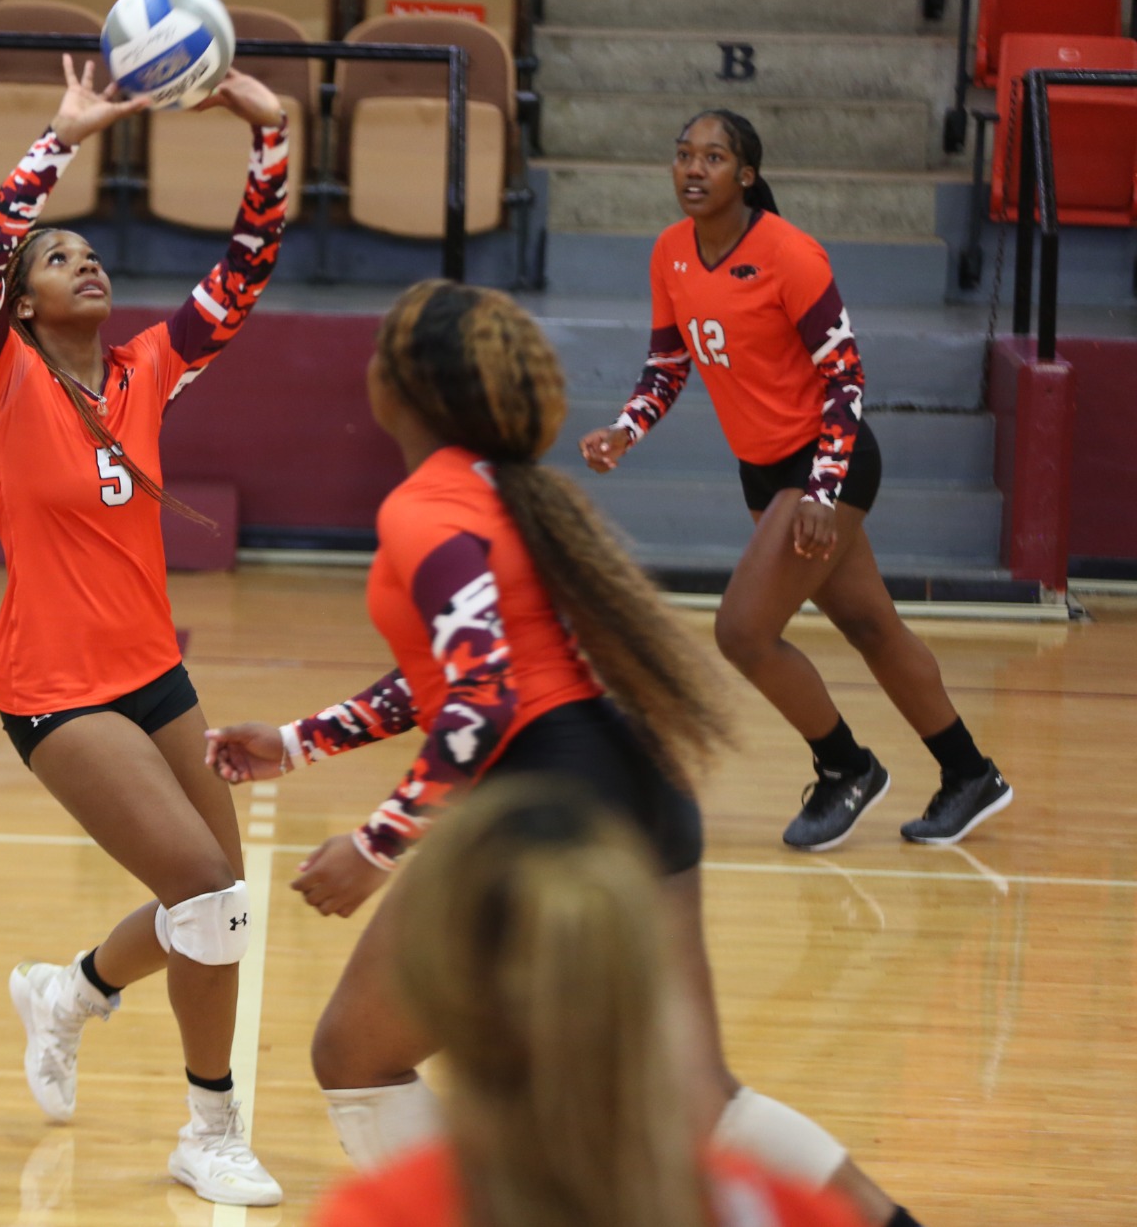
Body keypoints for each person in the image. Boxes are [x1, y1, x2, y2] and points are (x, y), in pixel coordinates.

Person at [204, 281, 923, 1226]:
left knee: (355, 1055)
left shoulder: (425, 509)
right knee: (697, 1096)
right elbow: (459, 676)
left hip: (548, 800)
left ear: (402, 389)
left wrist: (375, 847)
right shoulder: (508, 491)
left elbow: (483, 699)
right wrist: (297, 743)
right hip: (633, 778)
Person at [0, 55, 290, 1208]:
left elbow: (244, 273)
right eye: (57, 256)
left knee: (219, 907)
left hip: (156, 673)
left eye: (90, 251)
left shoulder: (147, 370)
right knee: (200, 887)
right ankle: (208, 1131)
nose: (83, 259)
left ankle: (72, 993)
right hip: (53, 688)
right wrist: (62, 135)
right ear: (24, 301)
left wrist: (270, 136)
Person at [578, 109, 1012, 852]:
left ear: (745, 175)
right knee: (872, 625)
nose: (693, 169)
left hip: (827, 461)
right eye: (683, 154)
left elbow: (846, 376)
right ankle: (969, 774)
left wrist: (822, 491)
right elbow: (668, 362)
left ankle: (846, 767)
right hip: (765, 472)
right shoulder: (670, 253)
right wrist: (627, 427)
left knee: (742, 631)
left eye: (713, 157)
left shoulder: (790, 254)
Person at [311, 780, 871, 1227]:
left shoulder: (372, 1213)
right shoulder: (781, 1210)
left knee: (353, 1054)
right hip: (604, 775)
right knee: (706, 1089)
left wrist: (372, 840)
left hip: (545, 783)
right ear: (655, 1000)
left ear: (442, 998)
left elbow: (475, 689)